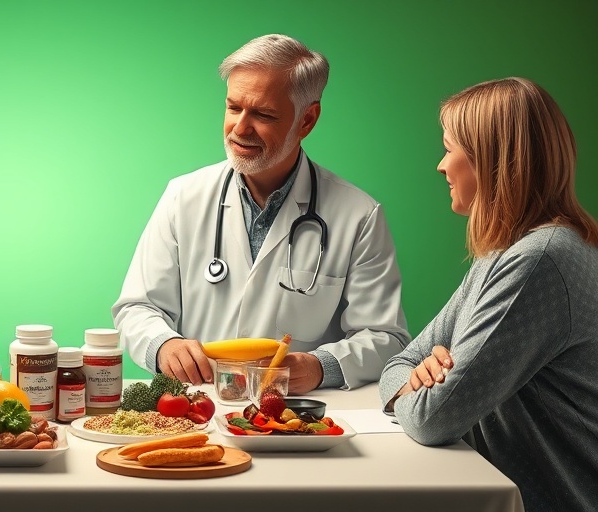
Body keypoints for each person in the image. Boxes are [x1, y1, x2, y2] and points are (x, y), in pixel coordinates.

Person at [112, 34, 410, 393]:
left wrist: (320, 366)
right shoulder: (183, 196)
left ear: (307, 120)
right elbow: (137, 307)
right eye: (234, 107)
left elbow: (386, 337)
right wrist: (164, 346)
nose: (240, 128)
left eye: (263, 114)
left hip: (296, 416)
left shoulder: (358, 215)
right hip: (198, 406)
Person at [379, 77, 598, 511]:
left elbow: (433, 418)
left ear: (492, 160)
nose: (441, 165)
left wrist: (409, 393)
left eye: (449, 148)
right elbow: (400, 361)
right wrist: (414, 378)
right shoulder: (505, 252)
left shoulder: (539, 260)